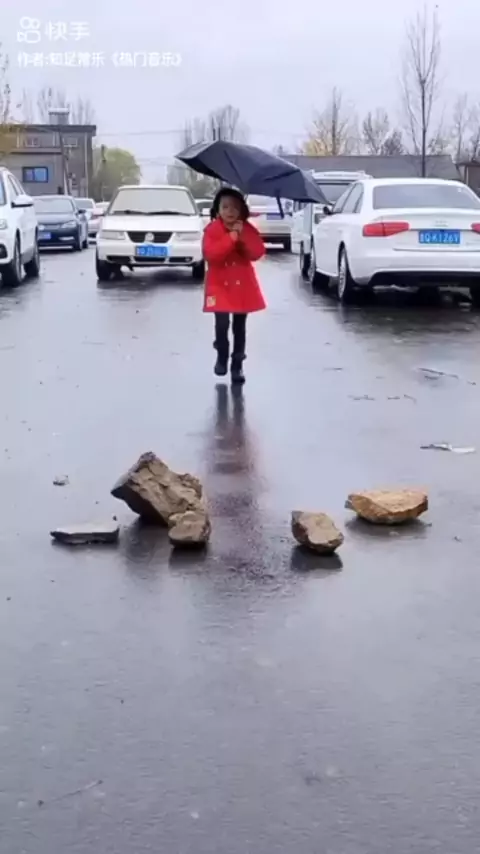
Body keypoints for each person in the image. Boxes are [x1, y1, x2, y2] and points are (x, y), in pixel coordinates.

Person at [202, 187, 266, 384]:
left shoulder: (247, 229)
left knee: (240, 326)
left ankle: (237, 364)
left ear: (242, 210)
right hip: (219, 285)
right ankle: (222, 354)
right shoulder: (212, 230)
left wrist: (242, 238)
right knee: (221, 324)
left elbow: (257, 253)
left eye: (235, 207)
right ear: (217, 209)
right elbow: (211, 255)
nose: (230, 211)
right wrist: (230, 238)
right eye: (225, 207)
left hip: (241, 285)